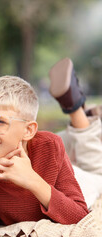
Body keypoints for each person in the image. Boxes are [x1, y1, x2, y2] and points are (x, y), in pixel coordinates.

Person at [0, 76, 88, 230]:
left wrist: (32, 180)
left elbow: (80, 217)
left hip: (84, 183)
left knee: (91, 162)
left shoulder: (50, 147)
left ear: (28, 130)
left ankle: (75, 106)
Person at [49, 57, 102, 209]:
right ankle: (75, 106)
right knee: (97, 177)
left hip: (63, 146)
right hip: (73, 153)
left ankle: (77, 107)